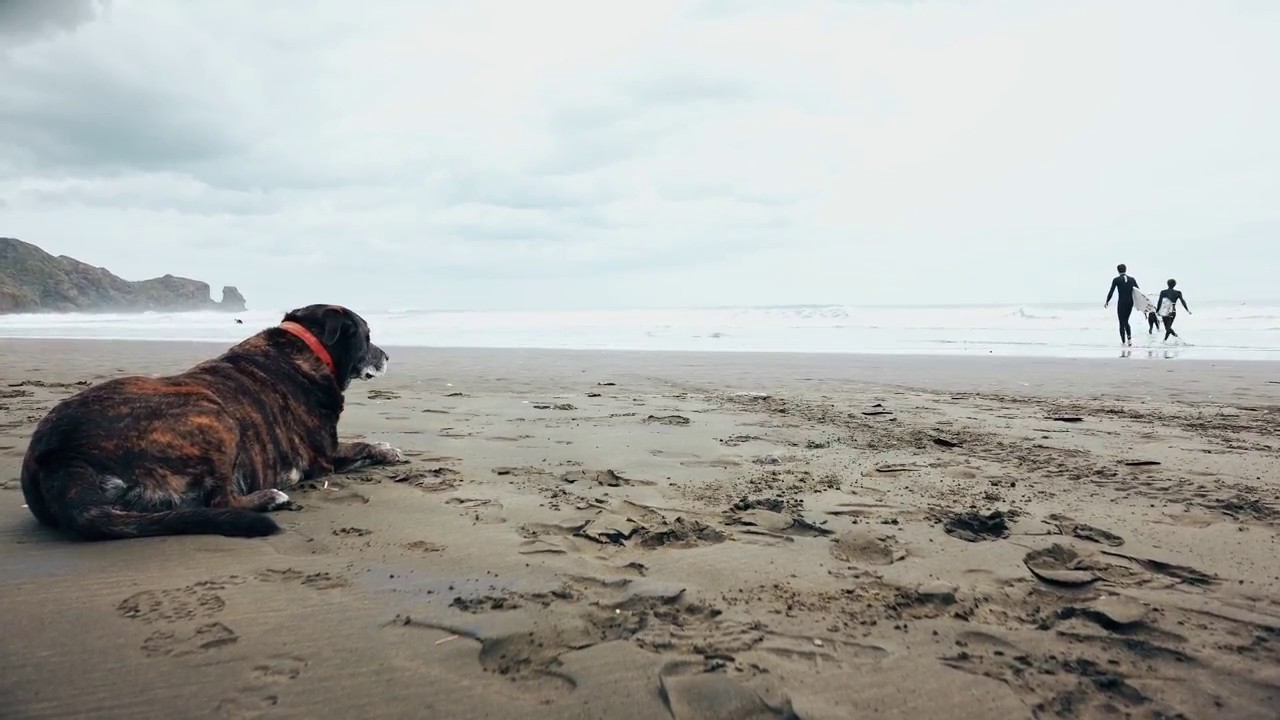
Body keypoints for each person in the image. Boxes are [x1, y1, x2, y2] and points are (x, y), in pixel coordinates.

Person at [1104, 263, 1140, 346]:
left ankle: (1123, 341)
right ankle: (1129, 340)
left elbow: (1111, 291)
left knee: (1121, 322)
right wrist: (1141, 305)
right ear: (1125, 269)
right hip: (1130, 302)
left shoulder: (1116, 280)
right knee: (1126, 321)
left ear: (1118, 270)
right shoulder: (1132, 279)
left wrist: (1107, 301)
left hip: (1122, 302)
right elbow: (1138, 292)